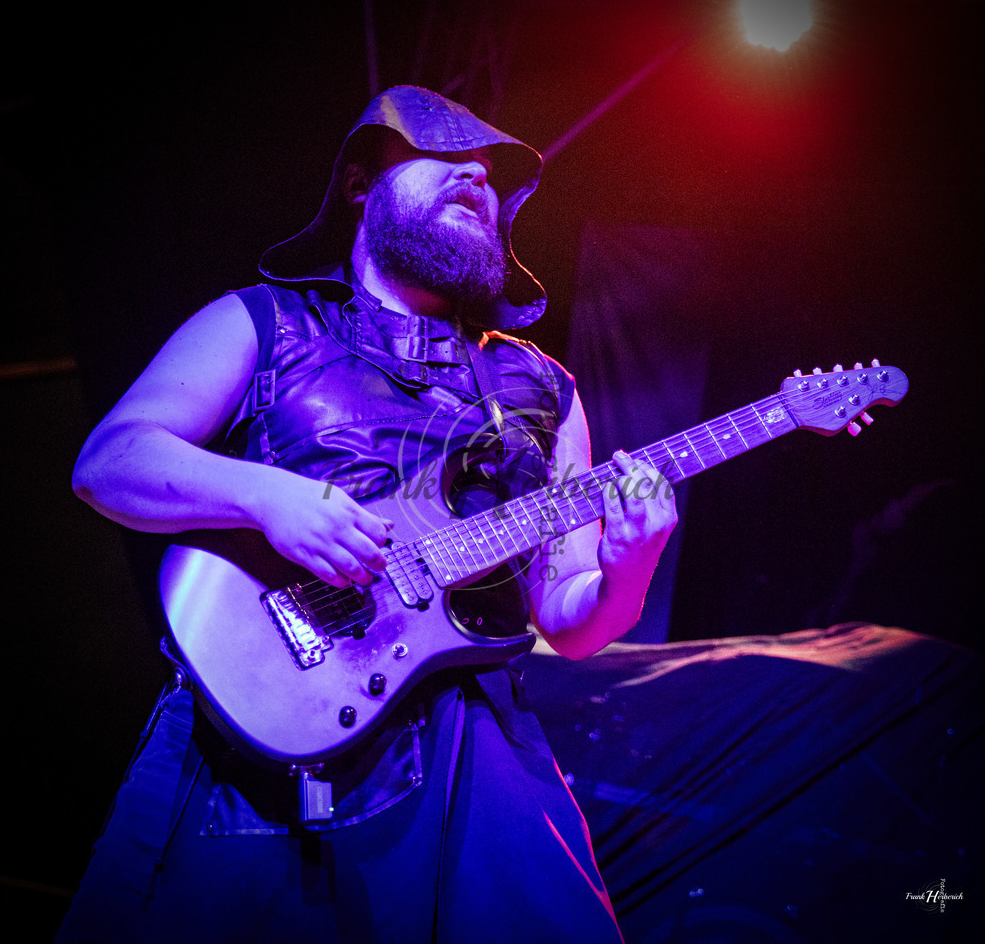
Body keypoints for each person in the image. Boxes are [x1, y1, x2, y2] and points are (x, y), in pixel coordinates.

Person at [58, 85, 677, 943]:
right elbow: (110, 463)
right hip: (261, 723)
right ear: (360, 182)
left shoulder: (542, 385)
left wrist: (633, 561)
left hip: (479, 743)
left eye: (493, 177)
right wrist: (267, 494)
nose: (476, 175)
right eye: (444, 156)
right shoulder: (262, 323)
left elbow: (570, 618)